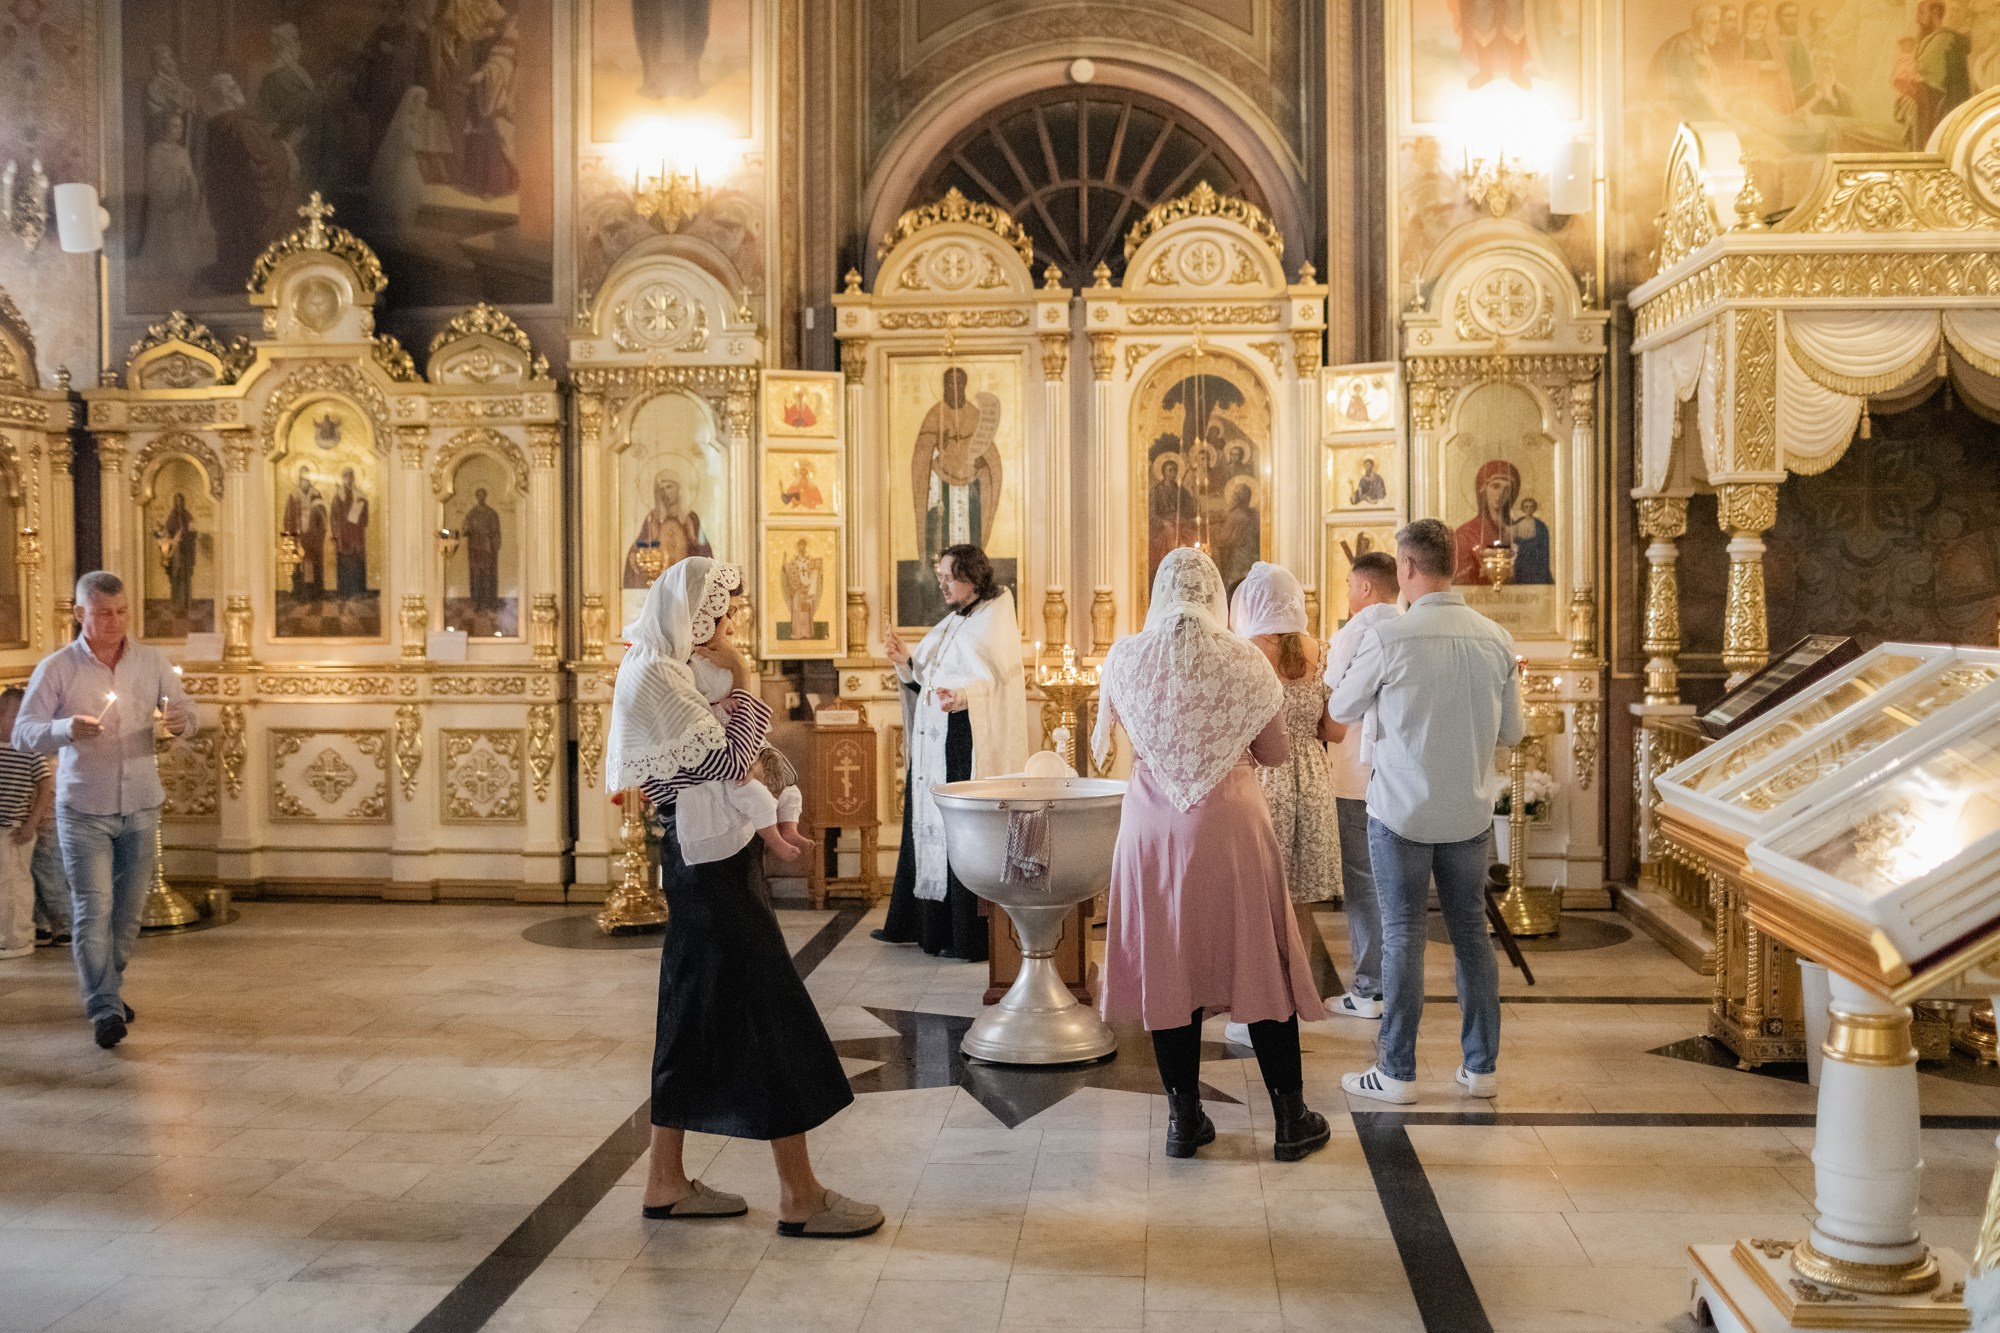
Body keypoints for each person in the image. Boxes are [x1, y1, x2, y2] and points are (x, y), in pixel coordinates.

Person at [605, 556, 880, 1239]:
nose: (727, 629)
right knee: (771, 1011)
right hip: (708, 867)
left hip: (714, 857)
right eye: (719, 616)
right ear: (691, 617)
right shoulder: (656, 674)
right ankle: (800, 1193)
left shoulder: (670, 669)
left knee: (692, 1011)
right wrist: (749, 681)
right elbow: (728, 760)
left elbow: (737, 754)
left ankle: (665, 1178)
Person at [1094, 548, 1331, 1162]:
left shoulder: (1124, 656)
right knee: (1258, 960)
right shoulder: (1247, 660)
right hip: (1231, 825)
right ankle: (1290, 1119)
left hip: (1150, 829)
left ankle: (1184, 1120)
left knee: (1169, 965)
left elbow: (1110, 745)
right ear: (1213, 599)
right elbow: (1275, 753)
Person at [1330, 520, 1523, 1105]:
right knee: (1470, 934)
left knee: (1403, 935)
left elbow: (1340, 704)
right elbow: (1513, 731)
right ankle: (1481, 1067)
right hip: (1468, 812)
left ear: (1407, 568)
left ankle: (1395, 1072)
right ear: (1456, 565)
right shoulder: (1495, 637)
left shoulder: (1390, 640)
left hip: (1400, 813)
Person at [14, 572, 196, 1048]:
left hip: (140, 804)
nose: (114, 622)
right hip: (84, 808)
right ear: (80, 614)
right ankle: (104, 1008)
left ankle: (107, 988)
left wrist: (180, 722)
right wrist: (64, 729)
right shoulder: (57, 668)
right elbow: (22, 732)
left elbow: (185, 711)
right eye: (102, 613)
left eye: (121, 612)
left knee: (128, 914)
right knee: (93, 909)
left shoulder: (152, 660)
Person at [875, 544, 1028, 960]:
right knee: (929, 828)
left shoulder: (993, 618)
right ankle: (931, 929)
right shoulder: (956, 622)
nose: (941, 583)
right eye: (940, 574)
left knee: (960, 832)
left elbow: (996, 683)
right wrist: (906, 662)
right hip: (935, 744)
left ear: (973, 578)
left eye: (948, 576)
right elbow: (925, 679)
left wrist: (963, 696)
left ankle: (966, 935)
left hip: (964, 744)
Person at [1221, 563, 1341, 1048]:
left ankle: (1255, 1012)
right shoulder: (1323, 652)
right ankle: (1296, 1000)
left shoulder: (1246, 652)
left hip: (1262, 776)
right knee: (1300, 902)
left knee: (1256, 903)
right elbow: (1334, 730)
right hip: (1312, 777)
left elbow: (1239, 725)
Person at [1321, 550, 1402, 1021]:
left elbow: (1334, 690)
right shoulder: (1404, 625)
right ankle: (1389, 985)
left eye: (1351, 586)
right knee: (1391, 884)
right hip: (1395, 772)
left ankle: (1370, 989)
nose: (1349, 595)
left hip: (1356, 770)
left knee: (1364, 881)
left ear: (1366, 588)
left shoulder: (1359, 627)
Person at [0, 687, 49, 961]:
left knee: (14, 885)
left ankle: (17, 938)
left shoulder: (29, 750)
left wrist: (32, 822)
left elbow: (45, 785)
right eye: (14, 716)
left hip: (15, 829)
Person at [1452, 459, 1522, 585]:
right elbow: (1459, 580)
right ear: (1483, 489)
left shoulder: (1521, 530)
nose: (1501, 494)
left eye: (1507, 489)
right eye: (1495, 486)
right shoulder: (1466, 534)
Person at [332, 468, 371, 599]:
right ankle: (344, 592)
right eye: (346, 477)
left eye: (350, 477)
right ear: (343, 478)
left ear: (354, 478)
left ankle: (359, 591)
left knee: (357, 560)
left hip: (357, 534)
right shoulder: (338, 495)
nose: (348, 479)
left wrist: (362, 509)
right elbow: (334, 516)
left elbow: (365, 519)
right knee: (344, 561)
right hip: (343, 534)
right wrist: (336, 533)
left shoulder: (360, 495)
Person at [463, 487, 502, 615]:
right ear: (476, 497)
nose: (480, 497)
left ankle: (489, 601)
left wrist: (494, 545)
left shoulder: (491, 513)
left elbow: (496, 532)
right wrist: (467, 529)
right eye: (478, 495)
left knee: (488, 574)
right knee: (476, 574)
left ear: (485, 496)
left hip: (487, 548)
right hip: (475, 547)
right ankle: (476, 601)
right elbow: (465, 530)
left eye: (482, 495)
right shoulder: (472, 513)